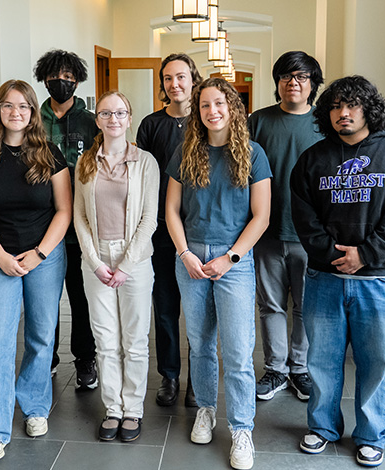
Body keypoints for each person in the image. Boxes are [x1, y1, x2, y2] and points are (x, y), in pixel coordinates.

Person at [290, 75, 385, 467]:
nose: (342, 114)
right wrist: (334, 255)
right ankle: (322, 427)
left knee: (376, 363)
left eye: (351, 105)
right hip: (324, 278)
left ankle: (370, 435)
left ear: (369, 109)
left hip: (377, 281)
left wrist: (365, 255)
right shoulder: (312, 159)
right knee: (322, 362)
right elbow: (303, 215)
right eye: (334, 106)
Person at [165, 78, 271, 470]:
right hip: (191, 257)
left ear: (233, 107)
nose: (212, 111)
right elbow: (172, 211)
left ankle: (242, 429)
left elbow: (261, 216)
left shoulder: (253, 154)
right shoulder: (185, 151)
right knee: (201, 343)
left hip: (234, 263)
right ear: (199, 111)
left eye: (219, 104)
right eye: (205, 105)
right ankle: (205, 410)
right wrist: (184, 253)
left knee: (239, 351)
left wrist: (231, 258)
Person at [0, 80, 72, 464]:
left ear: (32, 112)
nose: (16, 112)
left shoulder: (51, 154)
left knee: (41, 336)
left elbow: (64, 210)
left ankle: (35, 407)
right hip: (0, 258)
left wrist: (40, 253)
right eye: (8, 106)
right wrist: (1, 256)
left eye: (23, 106)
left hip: (44, 256)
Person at [74, 91, 159, 442]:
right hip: (96, 259)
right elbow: (78, 216)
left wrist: (125, 264)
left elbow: (149, 218)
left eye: (120, 113)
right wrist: (94, 262)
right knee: (106, 340)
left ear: (129, 118)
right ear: (98, 120)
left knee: (135, 341)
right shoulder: (85, 163)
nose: (113, 119)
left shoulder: (146, 162)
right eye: (106, 113)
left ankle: (133, 410)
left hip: (134, 260)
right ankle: (113, 408)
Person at [246, 51, 324, 402]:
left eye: (302, 77)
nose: (294, 82)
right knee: (271, 304)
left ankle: (300, 368)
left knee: (306, 307)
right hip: (265, 230)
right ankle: (276, 369)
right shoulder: (258, 121)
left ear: (313, 84)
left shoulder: (326, 124)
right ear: (277, 82)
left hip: (311, 234)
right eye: (286, 76)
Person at [136, 53, 202, 408]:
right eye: (167, 79)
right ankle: (170, 375)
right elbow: (141, 178)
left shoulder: (207, 120)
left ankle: (197, 378)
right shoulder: (150, 125)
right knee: (164, 307)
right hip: (160, 231)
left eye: (180, 77)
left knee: (196, 310)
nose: (174, 84)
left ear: (193, 78)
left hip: (199, 229)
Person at [34, 49, 100, 390]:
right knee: (44, 297)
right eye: (56, 75)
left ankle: (85, 357)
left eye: (69, 76)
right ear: (45, 78)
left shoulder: (91, 123)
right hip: (40, 224)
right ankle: (46, 358)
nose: (62, 82)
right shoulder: (32, 120)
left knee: (80, 295)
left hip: (80, 225)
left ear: (78, 79)